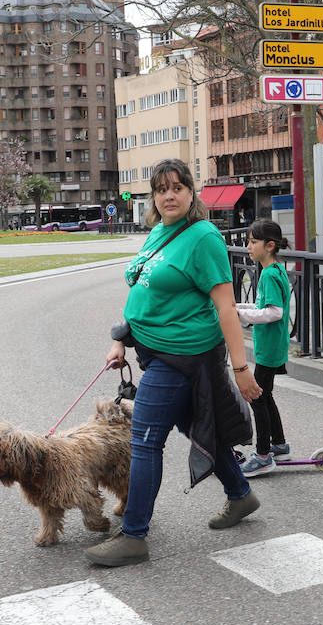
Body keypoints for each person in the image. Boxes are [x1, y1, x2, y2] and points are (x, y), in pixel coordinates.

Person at [86, 158, 263, 567]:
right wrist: (122, 340)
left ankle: (134, 537)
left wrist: (240, 369)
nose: (169, 194)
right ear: (153, 195)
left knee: (145, 441)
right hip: (154, 351)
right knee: (192, 426)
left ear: (190, 192)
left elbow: (225, 308)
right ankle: (241, 495)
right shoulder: (160, 232)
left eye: (178, 187)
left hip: (182, 357)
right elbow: (143, 291)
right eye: (161, 188)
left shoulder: (203, 238)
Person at [236, 218, 292, 476]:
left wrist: (242, 316)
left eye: (253, 242)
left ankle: (262, 455)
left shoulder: (269, 274)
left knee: (257, 398)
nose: (249, 246)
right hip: (273, 345)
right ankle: (279, 444)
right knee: (266, 396)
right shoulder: (276, 270)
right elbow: (262, 308)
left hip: (269, 348)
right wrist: (239, 308)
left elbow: (274, 313)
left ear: (269, 245)